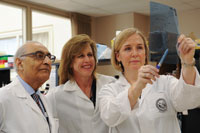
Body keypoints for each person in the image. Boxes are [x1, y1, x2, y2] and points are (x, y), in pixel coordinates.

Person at [98, 28, 200, 133]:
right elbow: (110, 117)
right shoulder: (109, 90)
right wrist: (138, 86)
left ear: (145, 53)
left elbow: (188, 100)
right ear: (118, 56)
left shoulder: (166, 83)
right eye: (128, 49)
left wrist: (187, 61)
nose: (135, 53)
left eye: (139, 48)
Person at [46, 34, 116, 133]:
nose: (87, 60)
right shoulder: (55, 96)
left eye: (90, 55)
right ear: (70, 63)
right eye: (81, 56)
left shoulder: (110, 83)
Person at [0, 41, 58, 133]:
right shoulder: (3, 98)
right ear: (20, 63)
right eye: (39, 56)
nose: (47, 62)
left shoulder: (43, 100)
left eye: (49, 57)